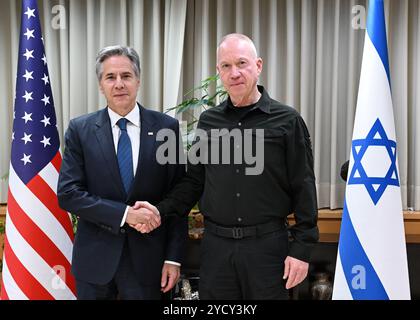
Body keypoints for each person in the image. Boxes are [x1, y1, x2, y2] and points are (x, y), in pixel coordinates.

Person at [136, 33, 319, 300]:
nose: (234, 73)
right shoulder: (209, 122)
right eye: (226, 66)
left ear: (258, 66)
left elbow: (304, 185)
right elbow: (194, 182)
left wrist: (301, 251)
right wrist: (160, 211)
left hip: (268, 249)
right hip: (216, 250)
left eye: (241, 63)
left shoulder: (287, 120)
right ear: (219, 72)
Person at [57, 46, 187, 299]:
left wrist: (174, 257)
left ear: (138, 81)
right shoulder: (80, 130)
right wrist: (125, 215)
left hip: (149, 263)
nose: (119, 84)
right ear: (100, 85)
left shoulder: (166, 128)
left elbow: (178, 196)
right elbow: (69, 194)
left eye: (126, 76)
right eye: (110, 77)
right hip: (95, 261)